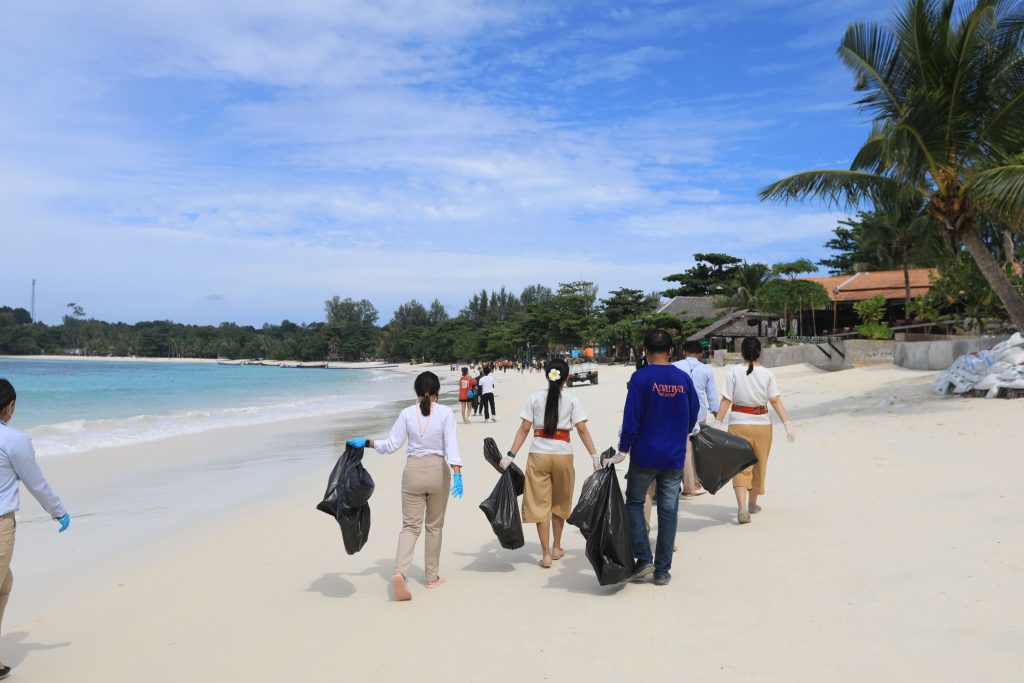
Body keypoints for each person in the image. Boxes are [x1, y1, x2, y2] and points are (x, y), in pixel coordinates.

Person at [347, 372, 462, 602]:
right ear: (438, 392)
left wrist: (366, 442)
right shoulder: (446, 413)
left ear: (416, 393)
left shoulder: (407, 413)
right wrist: (457, 474)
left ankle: (400, 572)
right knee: (434, 527)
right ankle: (432, 578)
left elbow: (391, 445)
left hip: (412, 473)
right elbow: (451, 445)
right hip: (438, 471)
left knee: (410, 527)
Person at [0, 379, 71, 679]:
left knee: (5, 585)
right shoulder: (14, 439)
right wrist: (59, 511)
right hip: (0, 525)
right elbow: (35, 482)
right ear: (10, 406)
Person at [616, 330, 699, 587]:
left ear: (645, 349)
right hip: (673, 456)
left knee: (634, 502)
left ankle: (644, 558)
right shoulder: (683, 379)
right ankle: (662, 571)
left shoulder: (640, 378)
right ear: (671, 350)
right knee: (668, 509)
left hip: (644, 454)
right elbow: (693, 414)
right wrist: (677, 433)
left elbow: (632, 418)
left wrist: (623, 449)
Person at [502, 359, 598, 568]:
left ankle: (545, 554)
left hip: (538, 454)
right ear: (566, 377)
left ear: (547, 375)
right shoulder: (572, 399)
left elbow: (525, 428)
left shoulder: (535, 398)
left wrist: (510, 455)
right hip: (563, 454)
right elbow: (582, 429)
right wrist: (594, 456)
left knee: (539, 503)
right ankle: (557, 547)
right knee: (560, 502)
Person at [713, 337, 796, 525]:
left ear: (741, 352)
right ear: (760, 352)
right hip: (762, 425)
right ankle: (752, 504)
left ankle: (742, 508)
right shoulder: (767, 374)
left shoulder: (733, 372)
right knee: (759, 464)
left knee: (740, 466)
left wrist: (718, 423)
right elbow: (774, 400)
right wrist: (787, 424)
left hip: (738, 424)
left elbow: (726, 400)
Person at [673, 340, 720, 498]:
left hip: (678, 414)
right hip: (699, 414)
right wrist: (717, 416)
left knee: (684, 451)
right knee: (696, 451)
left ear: (684, 351)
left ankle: (686, 483)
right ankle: (693, 484)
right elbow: (711, 395)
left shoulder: (675, 366)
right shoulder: (706, 369)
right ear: (701, 354)